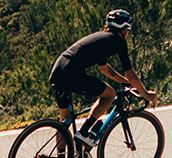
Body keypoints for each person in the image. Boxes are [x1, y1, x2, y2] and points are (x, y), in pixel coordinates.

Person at [49, 9, 158, 149]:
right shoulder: (118, 41)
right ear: (124, 29)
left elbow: (105, 69)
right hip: (72, 73)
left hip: (58, 70)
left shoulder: (101, 39)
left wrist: (125, 82)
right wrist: (146, 94)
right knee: (110, 94)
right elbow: (130, 73)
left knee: (65, 120)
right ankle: (84, 132)